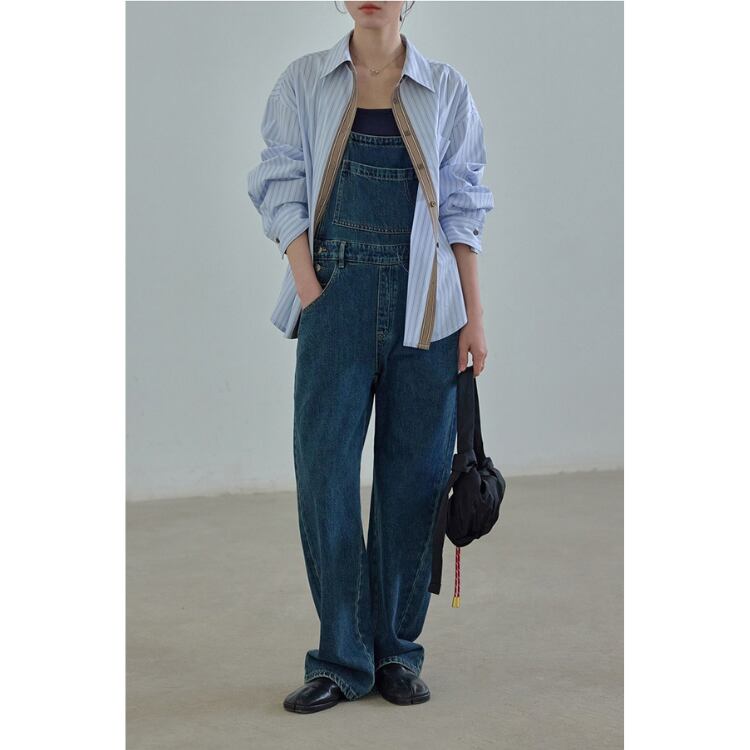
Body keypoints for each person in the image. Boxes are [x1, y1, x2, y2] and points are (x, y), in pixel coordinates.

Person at [246, 1, 493, 713]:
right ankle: (340, 657)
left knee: (414, 482)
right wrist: (311, 290)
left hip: (430, 306)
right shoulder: (304, 82)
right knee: (324, 474)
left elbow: (464, 207)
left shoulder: (446, 89)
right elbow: (280, 185)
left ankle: (396, 653)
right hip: (336, 300)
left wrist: (474, 318)